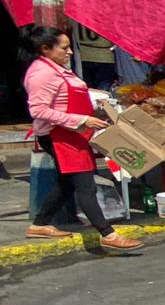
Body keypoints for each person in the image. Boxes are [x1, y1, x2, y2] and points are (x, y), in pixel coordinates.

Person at [22, 26, 144, 252]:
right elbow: (38, 110)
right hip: (59, 136)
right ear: (45, 49)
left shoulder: (57, 69)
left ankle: (39, 224)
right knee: (85, 184)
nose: (69, 52)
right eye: (64, 48)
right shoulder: (42, 73)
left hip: (73, 133)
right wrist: (82, 120)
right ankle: (108, 234)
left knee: (67, 184)